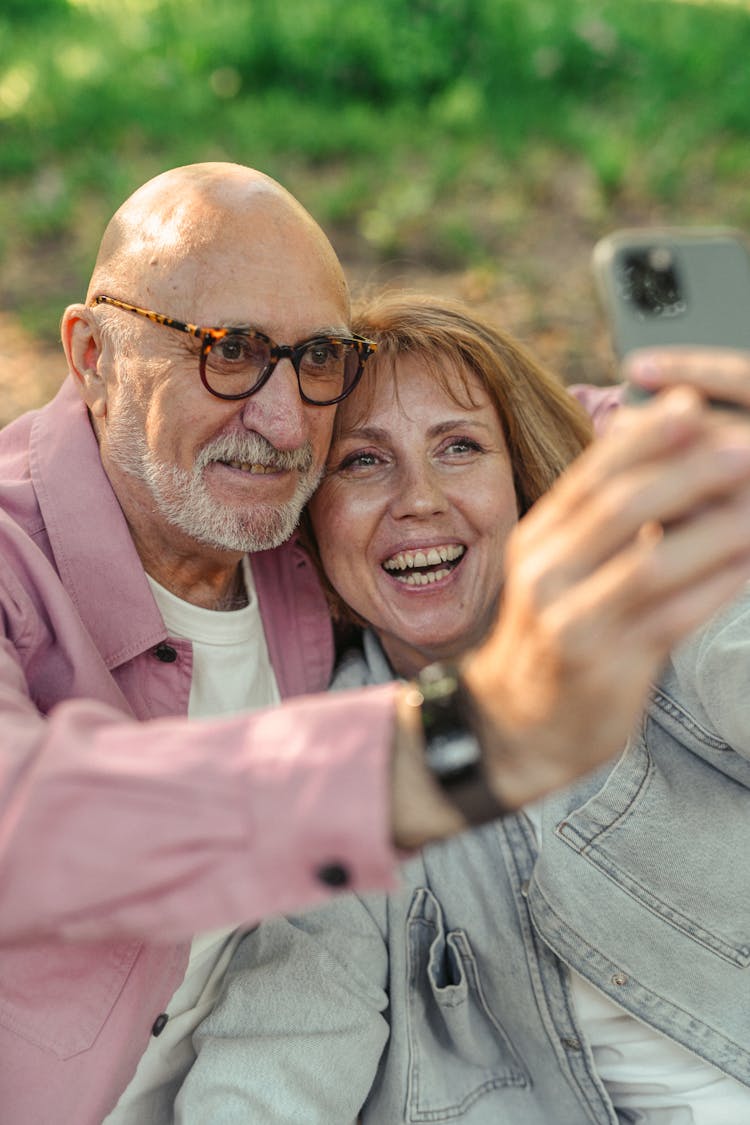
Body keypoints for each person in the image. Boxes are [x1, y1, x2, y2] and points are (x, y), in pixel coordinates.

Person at [2, 162, 750, 1124]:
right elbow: (37, 827)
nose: (277, 421)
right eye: (228, 350)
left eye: (314, 359)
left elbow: (537, 418)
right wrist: (458, 745)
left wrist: (686, 431)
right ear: (93, 354)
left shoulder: (271, 522)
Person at [176, 293, 750, 1124]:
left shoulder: (660, 607)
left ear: (522, 481)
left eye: (459, 446)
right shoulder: (337, 761)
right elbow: (281, 1047)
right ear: (308, 520)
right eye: (364, 462)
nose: (420, 500)